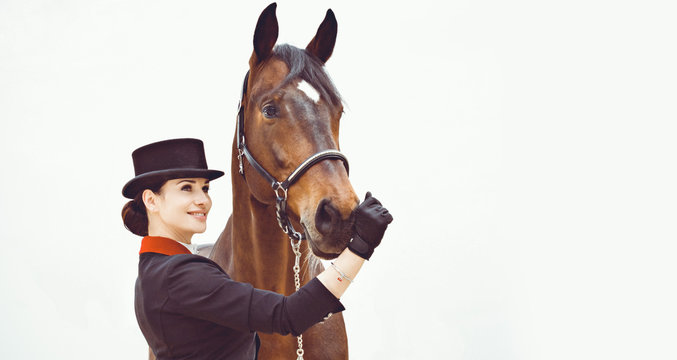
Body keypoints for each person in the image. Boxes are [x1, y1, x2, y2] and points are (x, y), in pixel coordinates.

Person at [121, 138, 393, 360]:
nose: (202, 200)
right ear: (151, 200)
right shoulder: (180, 275)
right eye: (186, 188)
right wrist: (360, 247)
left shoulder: (152, 269)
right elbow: (288, 315)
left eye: (204, 189)